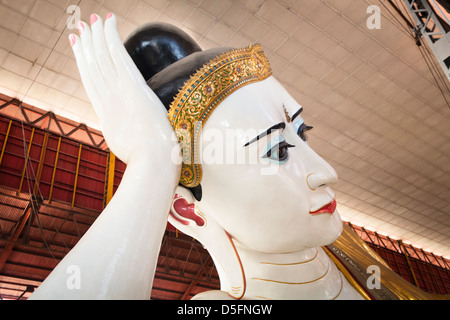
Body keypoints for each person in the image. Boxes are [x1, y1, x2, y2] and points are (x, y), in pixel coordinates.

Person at [29, 13, 437, 300]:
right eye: (277, 151)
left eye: (302, 133)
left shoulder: (361, 271)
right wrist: (154, 160)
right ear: (188, 212)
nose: (325, 173)